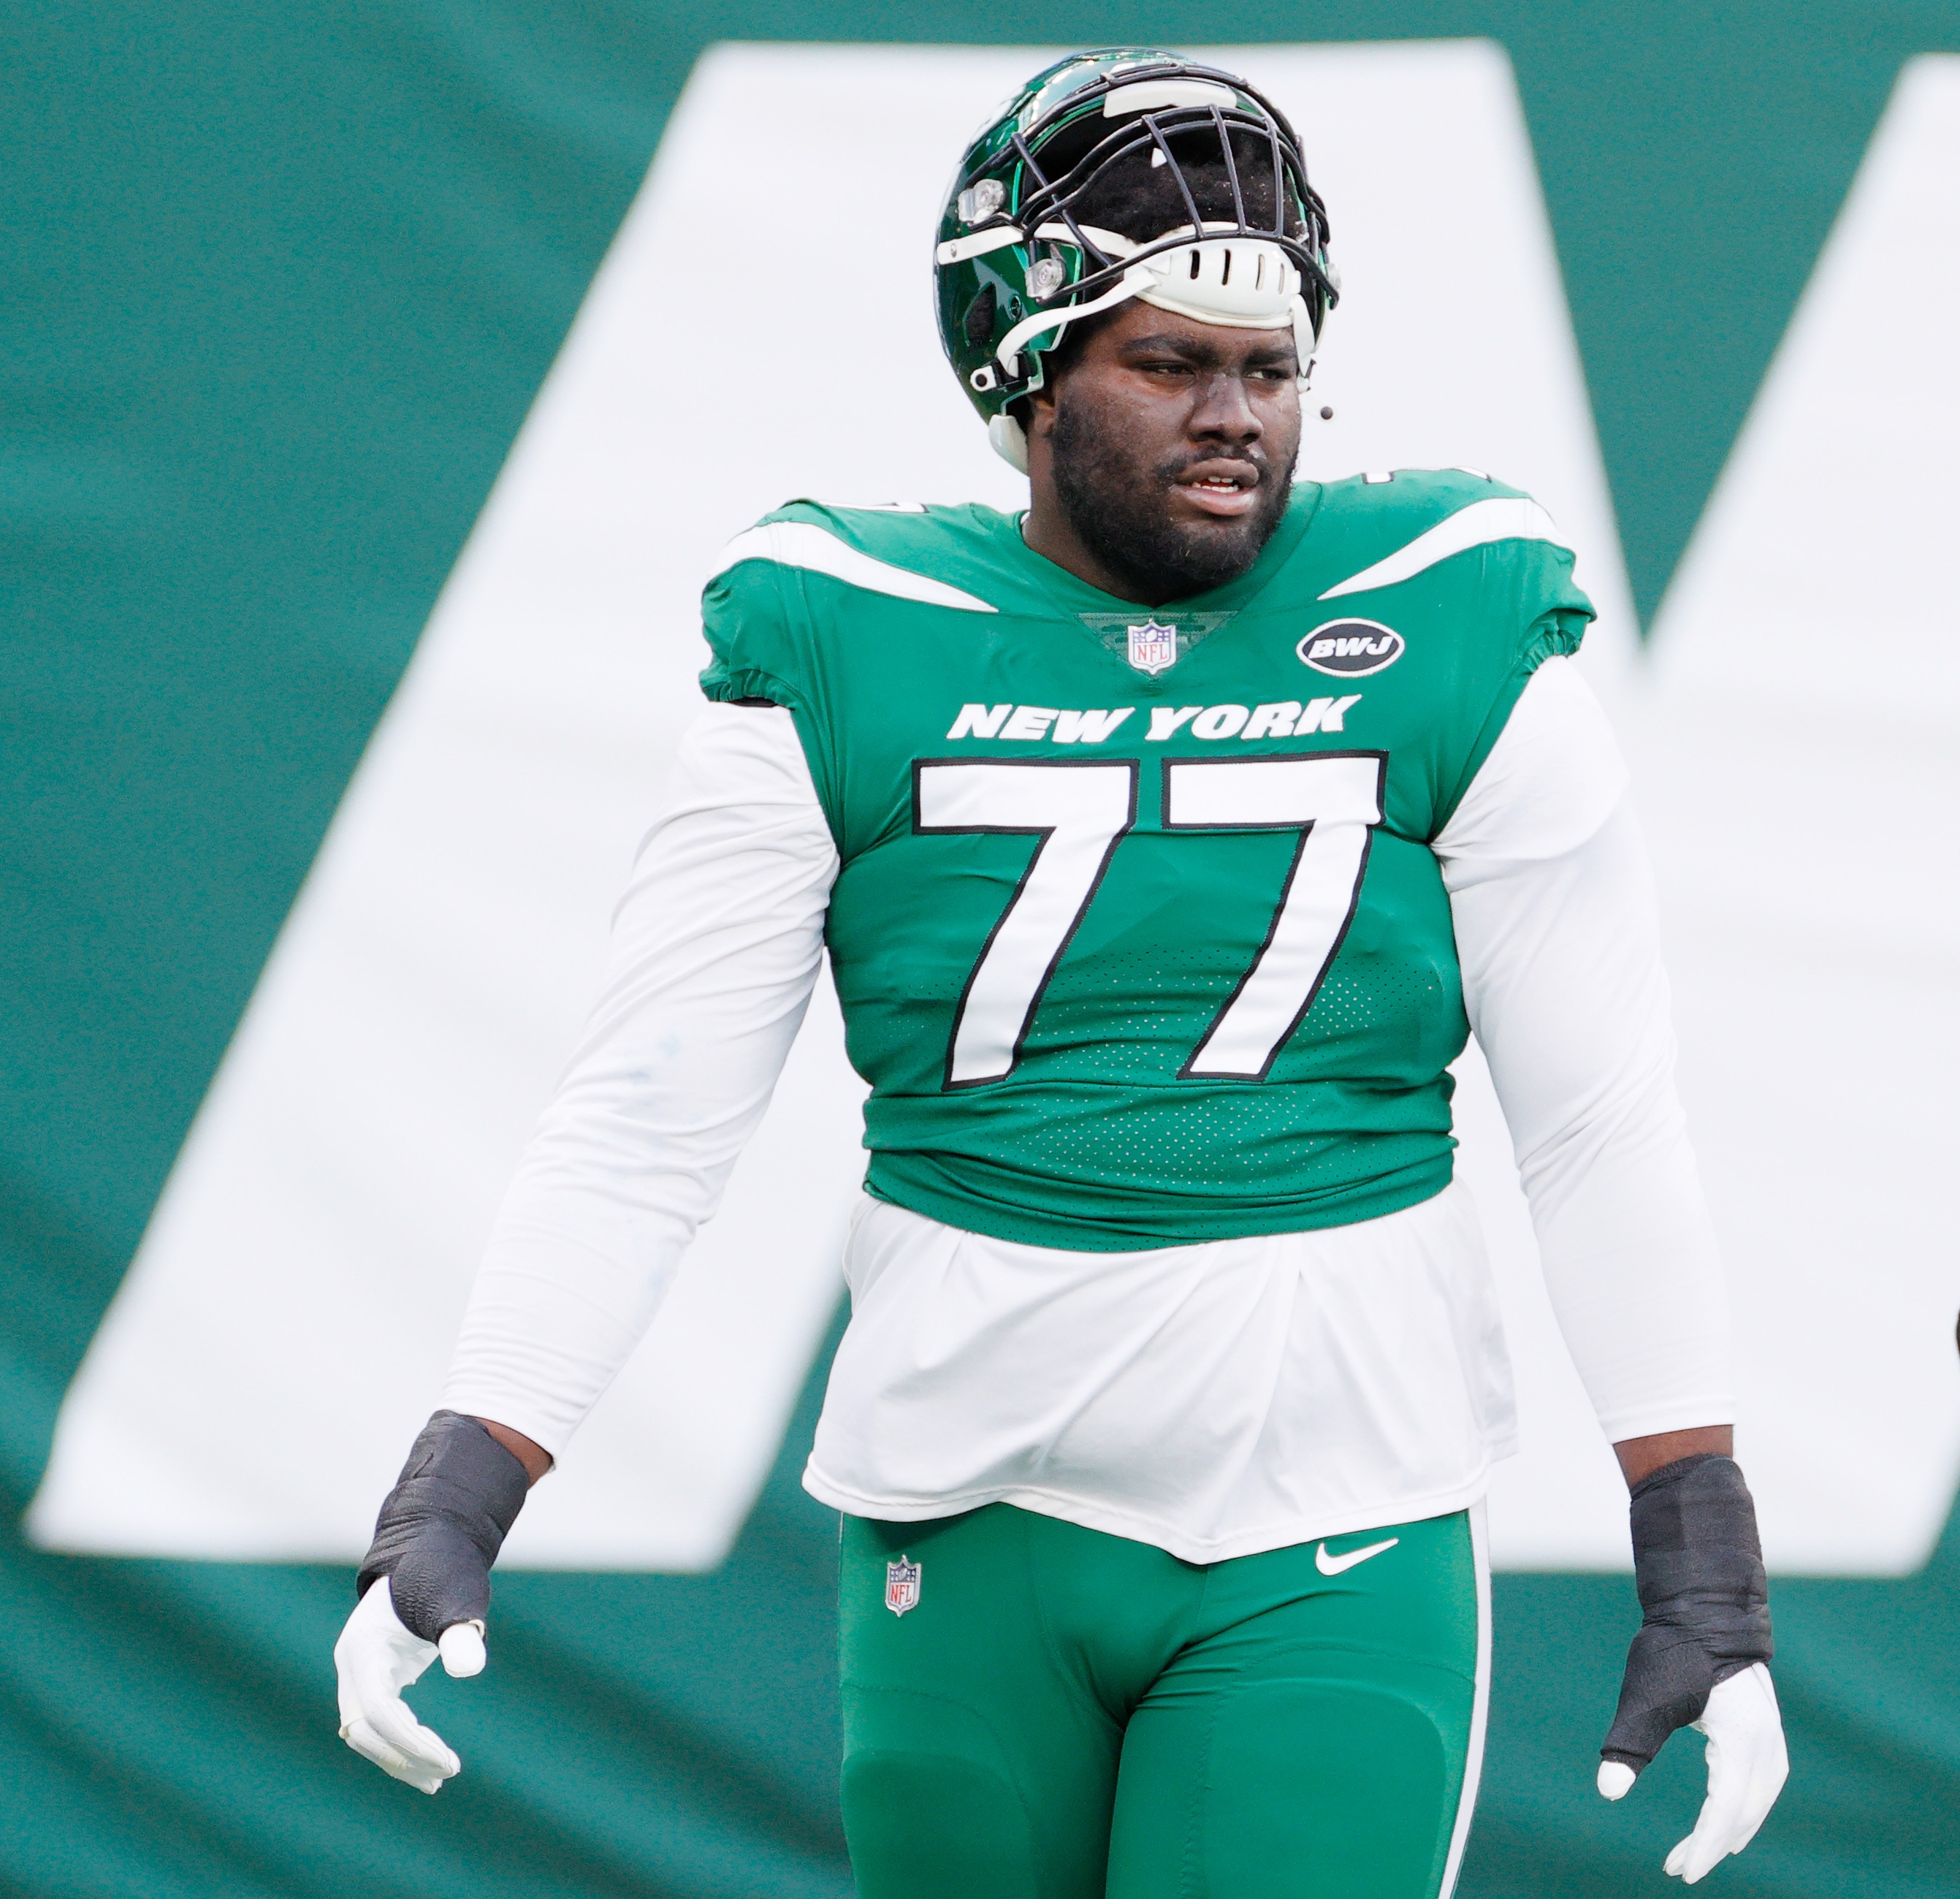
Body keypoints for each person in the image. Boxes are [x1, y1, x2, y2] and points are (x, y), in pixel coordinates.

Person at [332, 47, 1788, 1897]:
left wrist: (1698, 1549)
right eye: (1167, 362)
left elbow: (1593, 1120)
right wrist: (461, 1481)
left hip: (1337, 1514)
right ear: (1024, 375)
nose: (1232, 417)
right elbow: (646, 1122)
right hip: (966, 1507)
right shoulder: (843, 634)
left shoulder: (1448, 607)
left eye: (1267, 369)